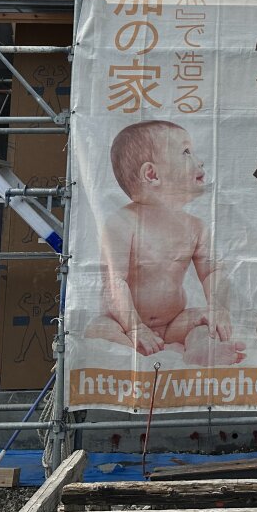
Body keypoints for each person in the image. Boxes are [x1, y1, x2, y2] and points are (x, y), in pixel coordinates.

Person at [84, 119, 245, 366]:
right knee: (98, 329)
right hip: (124, 322)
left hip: (173, 322)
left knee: (203, 322)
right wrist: (135, 327)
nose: (199, 161)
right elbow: (115, 282)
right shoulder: (122, 223)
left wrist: (218, 309)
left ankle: (199, 348)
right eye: (186, 152)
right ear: (152, 174)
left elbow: (212, 271)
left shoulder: (196, 227)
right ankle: (148, 351)